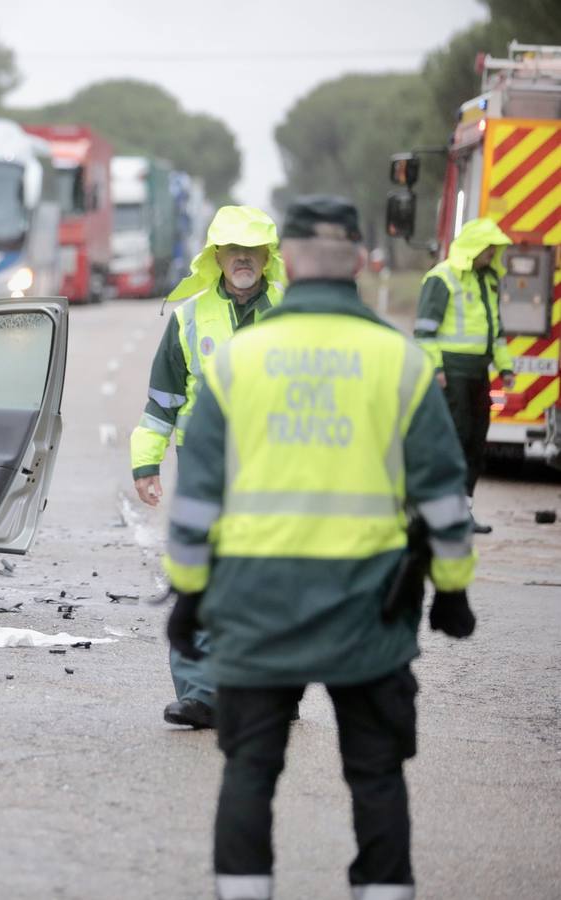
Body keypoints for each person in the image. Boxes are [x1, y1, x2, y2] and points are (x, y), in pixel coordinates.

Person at [163, 196, 477, 900]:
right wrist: (452, 589)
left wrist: (188, 592)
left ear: (289, 262)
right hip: (373, 607)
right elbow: (444, 495)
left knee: (249, 769)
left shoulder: (239, 361)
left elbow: (196, 500)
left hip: (254, 604)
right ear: (363, 261)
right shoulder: (397, 361)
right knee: (376, 773)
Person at [129, 205, 287, 730]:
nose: (243, 259)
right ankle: (198, 694)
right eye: (233, 250)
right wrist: (146, 462)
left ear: (267, 257)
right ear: (216, 256)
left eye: (253, 250)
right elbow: (162, 402)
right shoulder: (190, 317)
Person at [413, 218, 514, 534]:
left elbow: (495, 331)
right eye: (489, 248)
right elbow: (425, 330)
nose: (493, 253)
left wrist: (505, 366)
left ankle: (463, 510)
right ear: (475, 247)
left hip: (478, 372)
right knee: (454, 441)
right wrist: (437, 369)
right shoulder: (442, 278)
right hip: (452, 373)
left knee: (475, 443)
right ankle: (440, 510)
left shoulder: (489, 279)